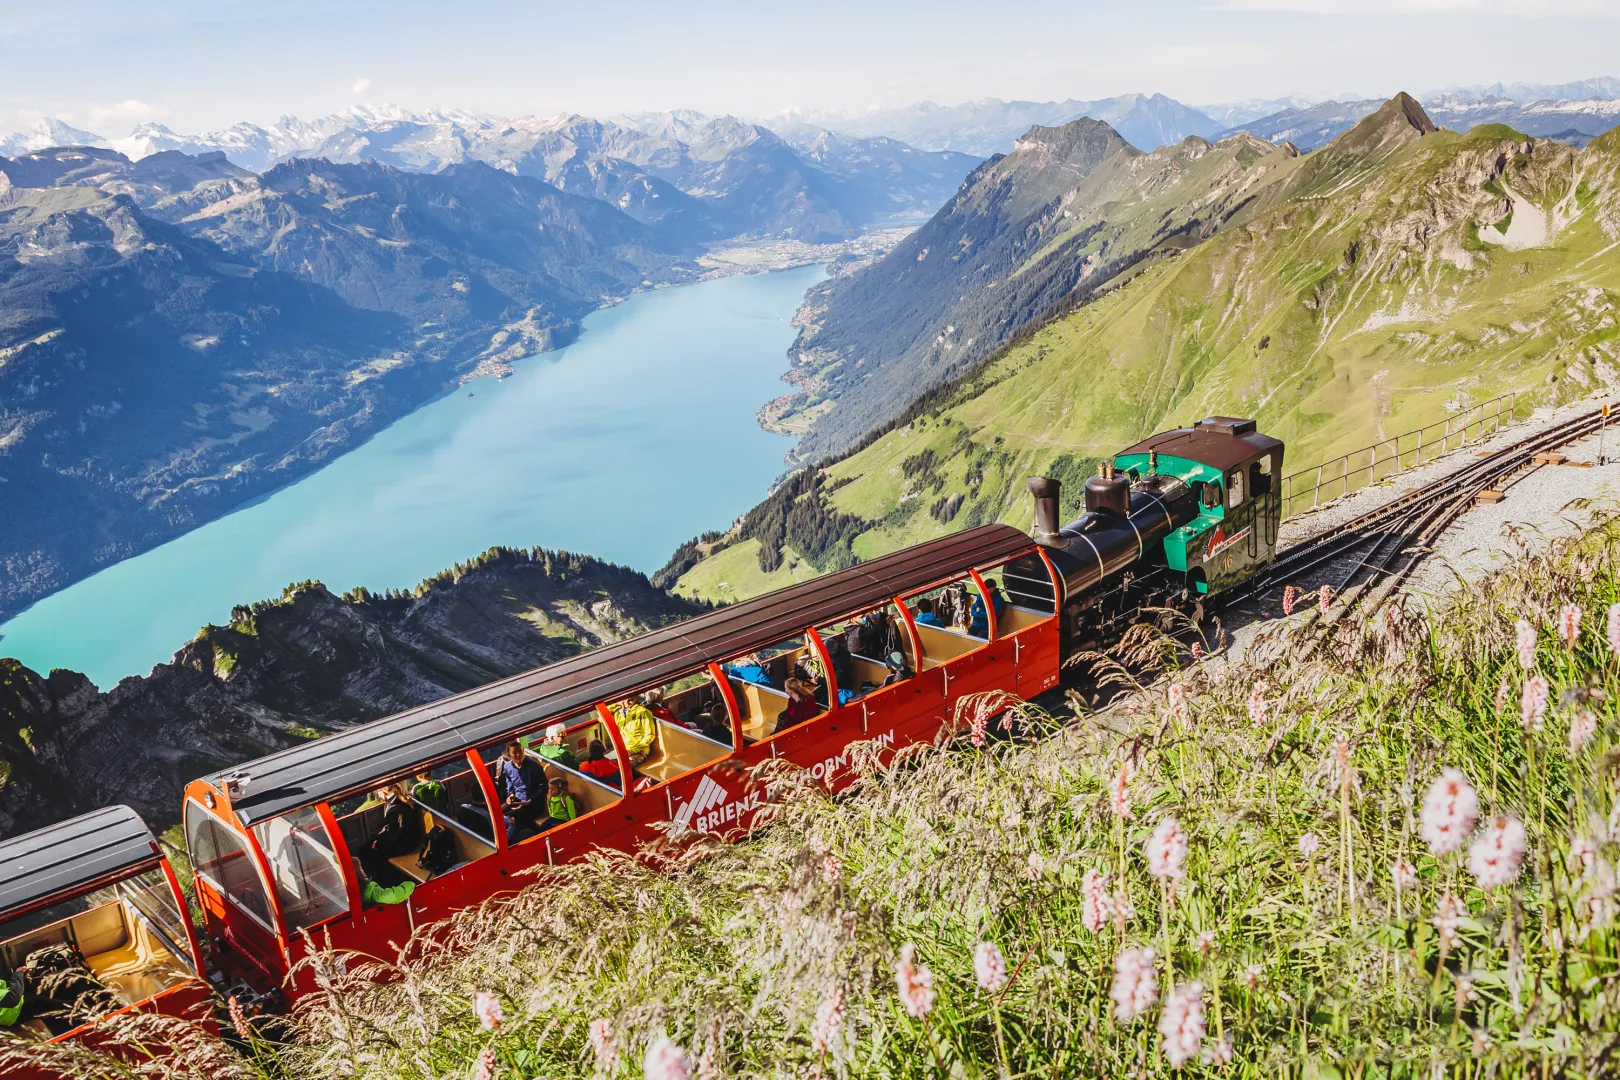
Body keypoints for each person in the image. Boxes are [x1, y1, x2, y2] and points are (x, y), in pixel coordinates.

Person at [361, 783, 422, 882]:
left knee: (375, 853)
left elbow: (402, 831)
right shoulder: (392, 802)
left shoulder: (400, 806)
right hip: (397, 837)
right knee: (365, 849)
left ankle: (382, 880)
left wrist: (382, 841)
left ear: (383, 791)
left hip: (407, 842)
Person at [494, 740, 548, 841]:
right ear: (509, 755)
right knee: (496, 814)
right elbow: (510, 784)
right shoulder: (507, 767)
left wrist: (530, 801)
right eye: (515, 753)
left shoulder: (534, 766)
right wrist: (510, 796)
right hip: (517, 799)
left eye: (520, 751)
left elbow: (544, 787)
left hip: (533, 803)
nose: (518, 755)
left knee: (509, 817)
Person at [351, 857, 415, 907]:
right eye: (360, 868)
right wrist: (411, 884)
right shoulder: (369, 890)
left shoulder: (351, 893)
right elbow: (392, 896)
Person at [610, 699, 657, 767]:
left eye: (630, 699)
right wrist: (616, 703)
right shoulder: (618, 713)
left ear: (636, 699)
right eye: (624, 699)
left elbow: (650, 735)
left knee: (621, 767)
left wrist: (633, 750)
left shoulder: (643, 712)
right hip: (622, 749)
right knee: (605, 765)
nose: (627, 701)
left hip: (639, 751)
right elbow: (601, 719)